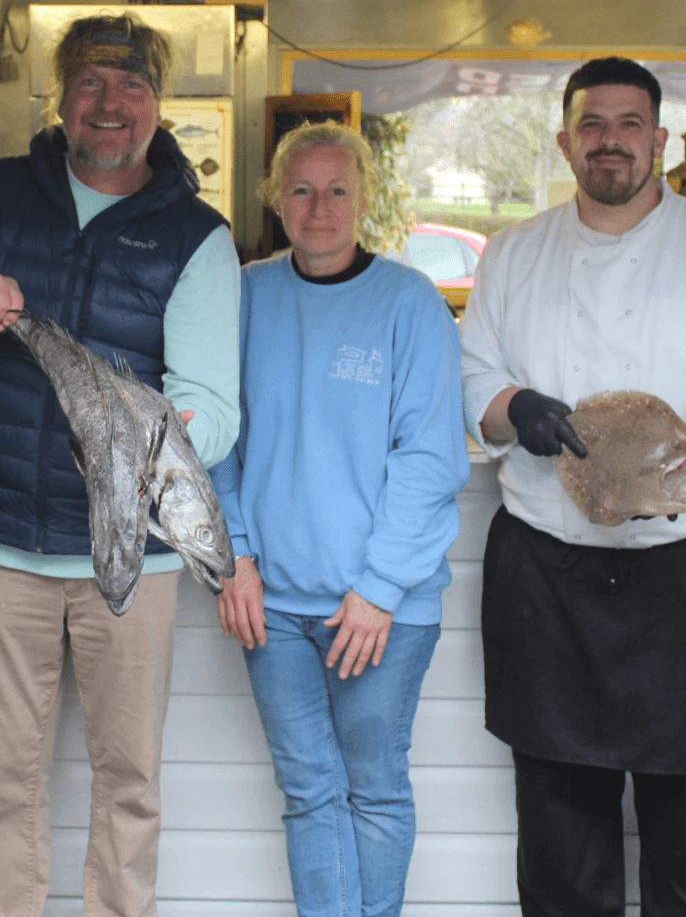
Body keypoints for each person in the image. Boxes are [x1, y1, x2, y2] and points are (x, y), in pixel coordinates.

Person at [0, 13, 240, 917]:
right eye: (90, 81)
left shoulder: (197, 236)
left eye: (132, 86)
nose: (110, 103)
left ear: (158, 107)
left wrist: (131, 445)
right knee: (1, 781)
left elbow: (216, 409)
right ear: (61, 94)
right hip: (4, 546)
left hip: (135, 562)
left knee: (129, 780)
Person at [210, 121, 468, 917]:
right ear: (275, 199)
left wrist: (381, 587)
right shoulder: (245, 294)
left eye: (337, 190)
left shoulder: (409, 303)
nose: (318, 208)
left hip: (380, 608)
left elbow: (429, 459)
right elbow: (216, 440)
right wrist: (236, 559)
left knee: (376, 789)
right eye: (300, 189)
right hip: (274, 607)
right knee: (309, 791)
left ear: (364, 200)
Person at [461, 56, 686, 916]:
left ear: (660, 141)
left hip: (682, 575)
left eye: (630, 125)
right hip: (548, 573)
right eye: (593, 125)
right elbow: (477, 375)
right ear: (564, 141)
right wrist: (512, 406)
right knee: (560, 841)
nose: (611, 142)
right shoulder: (516, 253)